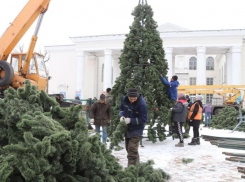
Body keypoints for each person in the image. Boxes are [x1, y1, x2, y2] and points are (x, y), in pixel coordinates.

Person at [119, 88, 147, 166]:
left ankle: (131, 170)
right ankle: (137, 166)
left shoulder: (142, 104)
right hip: (128, 128)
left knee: (132, 150)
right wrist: (121, 116)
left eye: (134, 99)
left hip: (137, 129)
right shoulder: (124, 99)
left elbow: (144, 118)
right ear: (127, 97)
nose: (132, 100)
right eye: (131, 99)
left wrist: (131, 120)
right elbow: (121, 109)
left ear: (137, 97)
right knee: (129, 149)